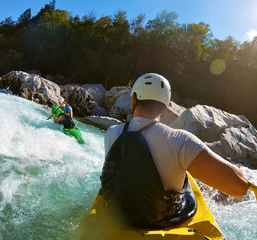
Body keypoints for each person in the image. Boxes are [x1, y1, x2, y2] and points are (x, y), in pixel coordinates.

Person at [101, 73, 249, 228]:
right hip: (158, 219)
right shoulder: (180, 140)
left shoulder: (111, 133)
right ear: (165, 108)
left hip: (117, 214)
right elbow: (239, 187)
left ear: (133, 100)